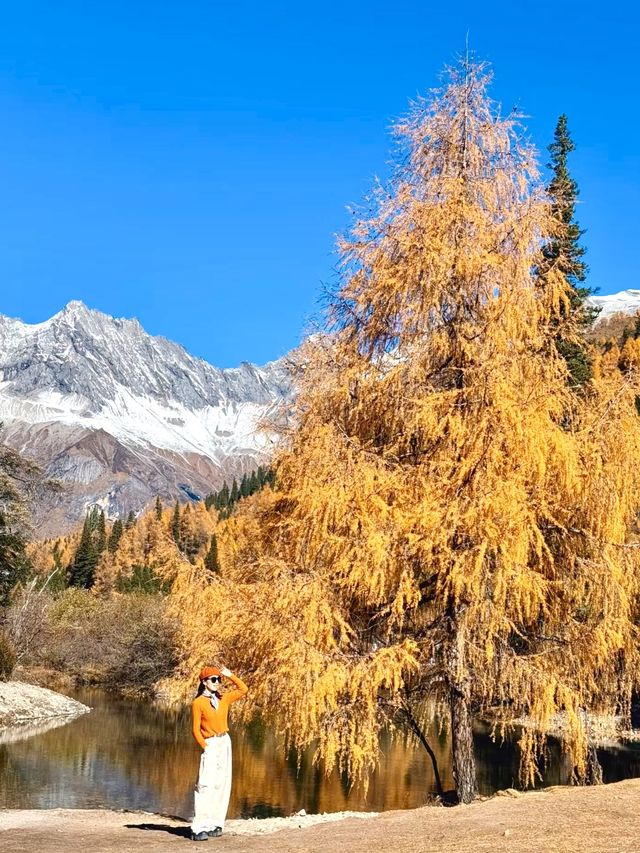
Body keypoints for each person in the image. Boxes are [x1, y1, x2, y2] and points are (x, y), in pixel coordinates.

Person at [190, 664, 248, 842]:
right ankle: (199, 827)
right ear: (204, 682)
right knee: (205, 783)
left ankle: (216, 823)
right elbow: (195, 729)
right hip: (211, 743)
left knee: (222, 783)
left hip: (225, 741)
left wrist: (229, 674)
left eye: (218, 679)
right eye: (213, 679)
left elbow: (243, 689)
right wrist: (205, 746)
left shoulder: (223, 699)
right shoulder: (198, 703)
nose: (217, 682)